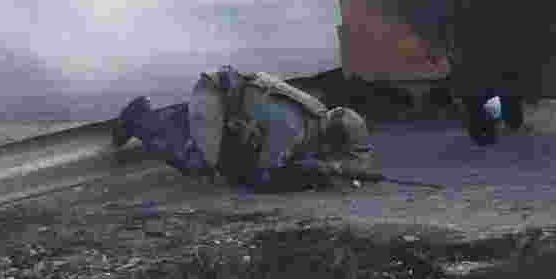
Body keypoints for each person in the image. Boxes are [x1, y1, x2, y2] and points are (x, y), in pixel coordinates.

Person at [113, 66, 375, 192]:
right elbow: (262, 177)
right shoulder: (292, 128)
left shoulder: (315, 117)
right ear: (331, 142)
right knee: (201, 163)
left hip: (228, 100)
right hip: (215, 94)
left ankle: (172, 118)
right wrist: (315, 174)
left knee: (214, 137)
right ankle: (140, 120)